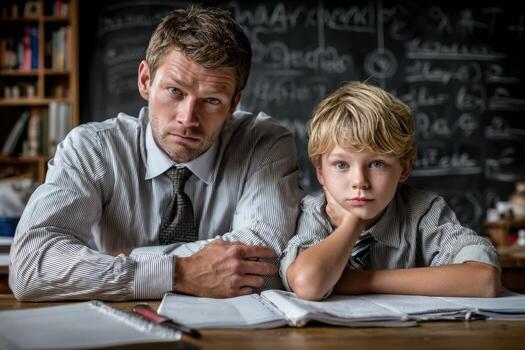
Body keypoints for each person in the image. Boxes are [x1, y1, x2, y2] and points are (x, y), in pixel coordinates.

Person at [9, 6, 302, 301]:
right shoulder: (92, 148)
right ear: (145, 80)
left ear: (234, 104)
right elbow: (29, 266)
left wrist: (126, 258)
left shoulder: (264, 144)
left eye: (212, 100)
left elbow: (266, 265)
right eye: (175, 91)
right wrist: (179, 273)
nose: (188, 118)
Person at [280, 82, 501, 301]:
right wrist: (353, 223)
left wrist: (363, 281)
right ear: (320, 173)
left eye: (377, 163)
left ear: (404, 168)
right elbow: (308, 284)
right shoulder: (314, 212)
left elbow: (484, 279)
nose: (359, 182)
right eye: (341, 165)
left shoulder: (423, 211)